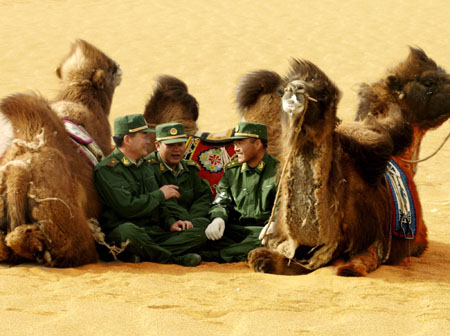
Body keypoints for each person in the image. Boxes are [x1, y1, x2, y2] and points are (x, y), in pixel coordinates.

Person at [94, 114, 205, 266]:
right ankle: (172, 259)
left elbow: (161, 207)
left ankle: (143, 254)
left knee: (199, 232)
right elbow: (127, 207)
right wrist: (160, 195)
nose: (149, 141)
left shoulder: (144, 165)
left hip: (154, 232)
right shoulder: (108, 169)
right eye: (144, 136)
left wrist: (171, 222)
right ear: (127, 140)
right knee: (129, 233)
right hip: (127, 230)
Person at [203, 121, 279, 262]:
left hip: (262, 231)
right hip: (236, 229)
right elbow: (221, 200)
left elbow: (284, 206)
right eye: (235, 144)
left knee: (269, 241)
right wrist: (218, 218)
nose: (235, 148)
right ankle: (236, 252)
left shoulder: (278, 171)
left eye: (240, 143)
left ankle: (219, 256)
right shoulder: (232, 171)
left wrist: (275, 223)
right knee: (202, 230)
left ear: (257, 144)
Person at [146, 122, 213, 234]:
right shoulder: (148, 169)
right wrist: (181, 220)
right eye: (170, 145)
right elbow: (158, 204)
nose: (176, 150)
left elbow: (203, 195)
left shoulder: (189, 168)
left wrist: (192, 219)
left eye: (180, 144)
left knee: (209, 226)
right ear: (157, 145)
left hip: (190, 223)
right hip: (164, 226)